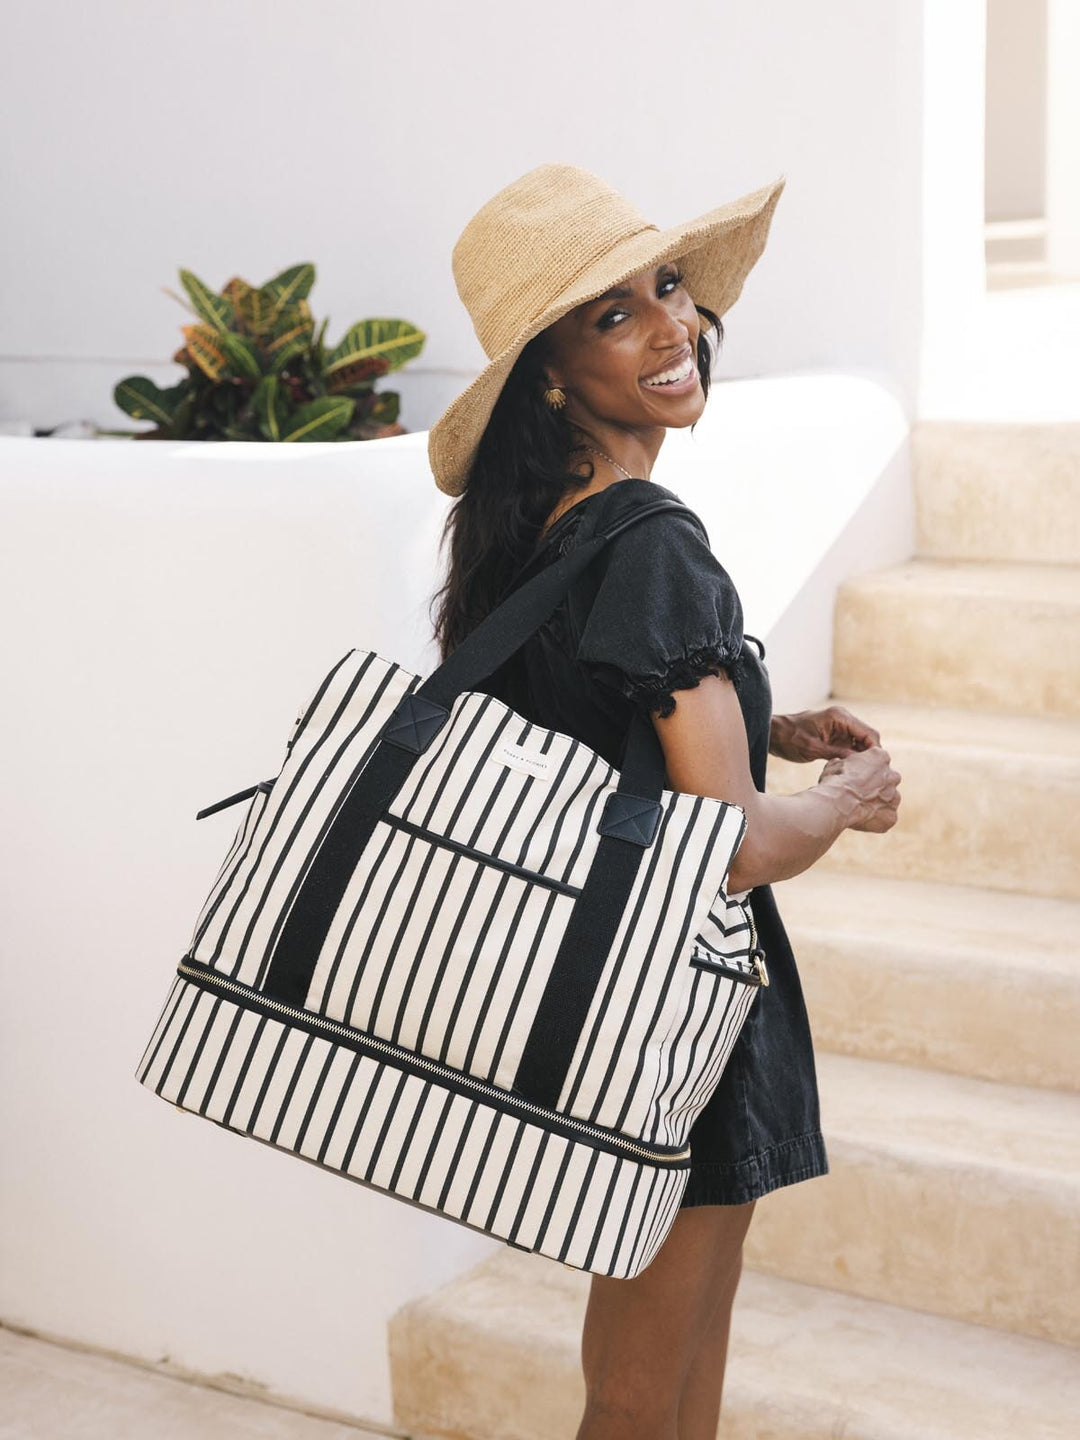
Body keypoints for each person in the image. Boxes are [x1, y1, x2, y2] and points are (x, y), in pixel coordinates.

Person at [426, 162, 901, 1440]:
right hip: (679, 1009)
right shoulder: (648, 538)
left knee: (660, 1367)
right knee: (652, 1386)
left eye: (669, 288)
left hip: (598, 993)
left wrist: (764, 716)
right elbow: (732, 845)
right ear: (547, 370)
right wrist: (848, 794)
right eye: (614, 314)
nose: (672, 327)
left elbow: (597, 737)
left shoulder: (536, 531)